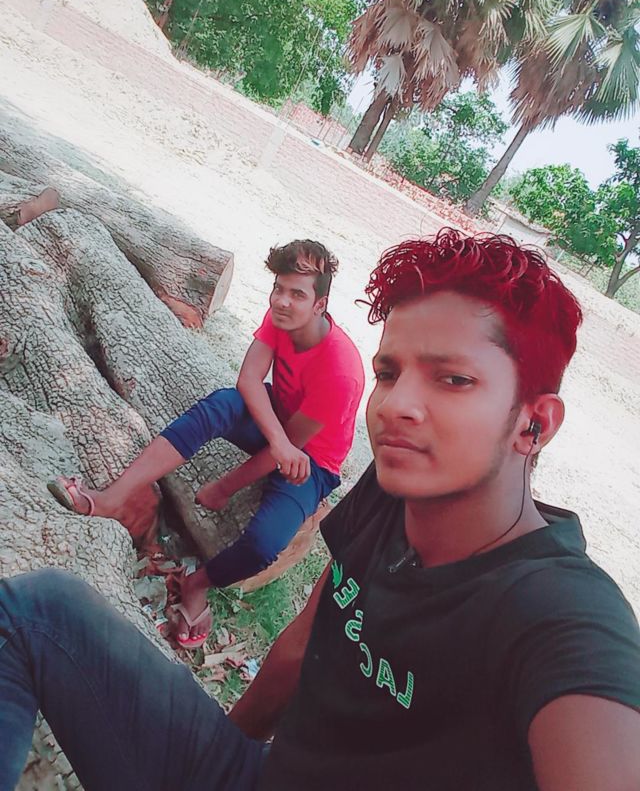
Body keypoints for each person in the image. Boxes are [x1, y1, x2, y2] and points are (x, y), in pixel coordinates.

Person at [2, 228, 640, 791]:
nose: (393, 406)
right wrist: (218, 754)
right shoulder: (389, 498)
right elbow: (297, 649)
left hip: (305, 463)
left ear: (534, 423)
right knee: (32, 610)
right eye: (389, 373)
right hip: (253, 774)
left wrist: (233, 483)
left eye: (453, 379)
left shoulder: (561, 615)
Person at [47, 239, 365, 648]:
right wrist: (277, 440)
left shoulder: (340, 371)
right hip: (280, 423)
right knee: (222, 405)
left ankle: (198, 585)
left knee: (264, 544)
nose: (282, 301)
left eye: (297, 294)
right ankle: (112, 497)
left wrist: (225, 486)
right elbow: (248, 381)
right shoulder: (282, 316)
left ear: (320, 305)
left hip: (312, 461)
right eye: (278, 289)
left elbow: (288, 449)